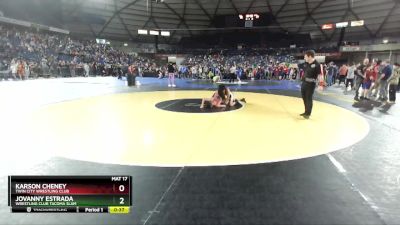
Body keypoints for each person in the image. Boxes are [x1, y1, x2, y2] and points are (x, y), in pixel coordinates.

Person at [300, 50, 321, 119]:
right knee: (304, 98)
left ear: (310, 56)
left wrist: (320, 85)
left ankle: (308, 114)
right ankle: (306, 111)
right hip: (304, 83)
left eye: (305, 56)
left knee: (309, 99)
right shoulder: (306, 63)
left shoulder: (317, 65)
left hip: (310, 85)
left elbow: (320, 75)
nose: (304, 58)